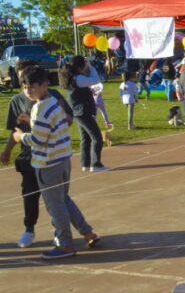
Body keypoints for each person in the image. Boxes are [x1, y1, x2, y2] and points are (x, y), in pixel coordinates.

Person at [12, 65, 100, 259]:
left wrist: (21, 137)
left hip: (48, 164)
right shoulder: (53, 102)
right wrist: (32, 122)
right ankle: (87, 232)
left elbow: (38, 140)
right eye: (25, 87)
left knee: (55, 206)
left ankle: (65, 244)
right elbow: (51, 126)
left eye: (33, 86)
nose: (28, 91)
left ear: (44, 85)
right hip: (62, 160)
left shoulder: (40, 108)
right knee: (64, 200)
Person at [1, 60, 73, 249]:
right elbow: (15, 130)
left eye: (30, 82)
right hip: (31, 158)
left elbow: (66, 121)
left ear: (42, 83)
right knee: (30, 195)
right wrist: (7, 150)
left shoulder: (50, 98)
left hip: (50, 158)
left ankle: (63, 237)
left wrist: (56, 114)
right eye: (22, 80)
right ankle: (29, 229)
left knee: (57, 201)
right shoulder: (17, 101)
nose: (27, 86)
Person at [60, 55, 107, 172]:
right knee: (97, 137)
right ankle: (96, 164)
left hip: (78, 111)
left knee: (85, 138)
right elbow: (95, 80)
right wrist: (91, 66)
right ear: (80, 66)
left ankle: (85, 164)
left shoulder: (73, 78)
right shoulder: (78, 78)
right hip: (82, 111)